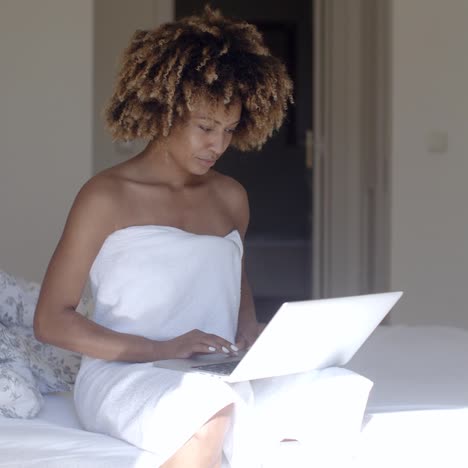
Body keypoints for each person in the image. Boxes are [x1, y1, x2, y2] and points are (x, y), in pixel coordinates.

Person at [33, 6, 367, 468]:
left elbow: (235, 278)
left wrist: (248, 329)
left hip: (210, 368)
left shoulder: (231, 196)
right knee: (207, 412)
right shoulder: (106, 197)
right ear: (164, 111)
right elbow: (51, 321)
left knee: (336, 391)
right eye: (205, 128)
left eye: (229, 130)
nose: (218, 145)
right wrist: (160, 349)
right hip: (129, 370)